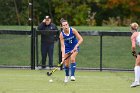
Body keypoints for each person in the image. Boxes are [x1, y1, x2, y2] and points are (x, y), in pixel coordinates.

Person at [59, 18, 83, 82]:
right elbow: (63, 46)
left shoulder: (73, 30)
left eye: (66, 24)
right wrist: (63, 57)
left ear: (68, 24)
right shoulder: (61, 35)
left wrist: (76, 46)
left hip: (75, 47)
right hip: (67, 48)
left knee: (72, 58)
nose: (65, 26)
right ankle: (67, 76)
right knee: (66, 64)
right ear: (61, 26)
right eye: (64, 25)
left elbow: (81, 39)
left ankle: (72, 75)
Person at [130, 22, 140, 87]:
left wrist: (133, 52)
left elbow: (133, 46)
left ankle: (136, 81)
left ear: (131, 29)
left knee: (137, 64)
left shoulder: (133, 35)